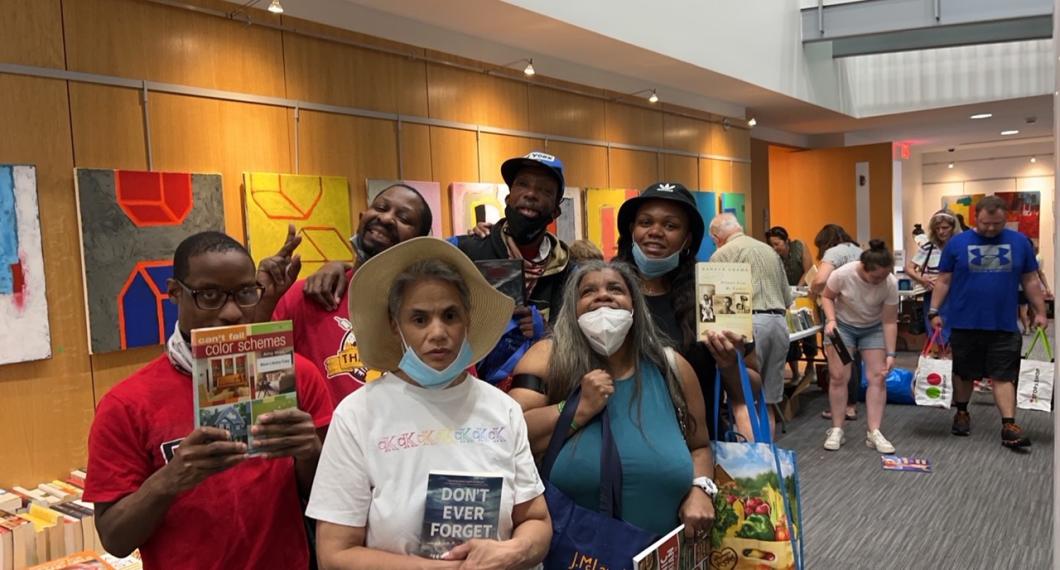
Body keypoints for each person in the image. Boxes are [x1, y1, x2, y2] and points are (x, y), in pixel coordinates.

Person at [83, 232, 334, 568]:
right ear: (174, 292)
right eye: (209, 295)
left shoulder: (296, 375)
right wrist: (171, 480)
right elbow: (114, 539)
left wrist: (310, 454)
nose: (231, 313)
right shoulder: (126, 404)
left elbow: (331, 500)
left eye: (245, 293)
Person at [307, 237, 551, 568]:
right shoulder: (357, 415)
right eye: (419, 319)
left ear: (467, 319)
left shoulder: (502, 409)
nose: (438, 332)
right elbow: (335, 554)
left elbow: (536, 520)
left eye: (450, 316)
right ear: (396, 326)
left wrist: (514, 551)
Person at [510, 260, 716, 539]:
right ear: (572, 308)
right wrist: (576, 409)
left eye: (615, 289)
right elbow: (511, 435)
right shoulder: (547, 357)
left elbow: (700, 446)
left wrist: (701, 488)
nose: (603, 296)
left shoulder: (672, 367)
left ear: (635, 305)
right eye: (588, 291)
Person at [255, 184, 434, 405]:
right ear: (361, 218)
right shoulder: (306, 295)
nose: (387, 218)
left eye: (404, 218)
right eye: (380, 207)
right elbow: (263, 382)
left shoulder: (432, 310)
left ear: (420, 243)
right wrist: (265, 301)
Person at [611, 182, 763, 441]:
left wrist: (729, 365)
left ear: (688, 238)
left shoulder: (713, 292)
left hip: (696, 446)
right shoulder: (606, 289)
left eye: (671, 226)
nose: (655, 232)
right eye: (645, 222)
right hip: (618, 445)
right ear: (631, 229)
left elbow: (750, 390)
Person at [930, 196, 1047, 448]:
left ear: (1006, 219)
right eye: (985, 224)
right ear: (975, 218)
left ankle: (1008, 425)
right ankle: (961, 412)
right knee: (963, 372)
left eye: (997, 223)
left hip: (1004, 322)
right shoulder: (957, 244)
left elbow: (1030, 280)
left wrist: (1040, 311)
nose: (991, 229)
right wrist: (933, 311)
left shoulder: (1019, 243)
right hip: (964, 321)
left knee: (1003, 374)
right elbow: (943, 280)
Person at [449, 151, 573, 385]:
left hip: (538, 396)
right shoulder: (465, 251)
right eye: (522, 184)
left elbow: (579, 348)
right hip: (467, 390)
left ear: (556, 212)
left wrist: (547, 333)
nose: (531, 194)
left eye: (545, 190)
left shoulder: (569, 272)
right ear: (508, 197)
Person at [709, 213, 793, 437]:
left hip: (746, 327)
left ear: (717, 237)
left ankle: (750, 465)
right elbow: (787, 298)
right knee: (768, 402)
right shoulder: (770, 251)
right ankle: (767, 459)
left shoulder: (721, 254)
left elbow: (715, 303)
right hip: (778, 323)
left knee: (743, 399)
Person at [819, 240, 899, 453]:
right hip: (843, 327)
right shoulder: (843, 274)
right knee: (839, 377)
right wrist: (831, 320)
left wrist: (891, 353)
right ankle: (836, 429)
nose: (880, 281)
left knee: (877, 377)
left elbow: (890, 320)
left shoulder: (890, 282)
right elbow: (826, 296)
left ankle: (874, 431)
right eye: (876, 277)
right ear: (864, 268)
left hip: (873, 329)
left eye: (884, 276)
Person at [810, 224, 862, 421]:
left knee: (840, 361)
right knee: (855, 360)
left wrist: (814, 290)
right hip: (861, 311)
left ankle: (844, 407)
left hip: (838, 312)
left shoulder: (833, 252)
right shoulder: (859, 250)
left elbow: (819, 280)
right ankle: (852, 403)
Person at [765, 226, 817, 385]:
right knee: (789, 333)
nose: (775, 248)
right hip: (785, 296)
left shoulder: (799, 246)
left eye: (777, 244)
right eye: (771, 245)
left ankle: (810, 366)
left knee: (809, 331)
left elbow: (808, 270)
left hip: (802, 293)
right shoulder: (773, 256)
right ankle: (795, 373)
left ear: (786, 241)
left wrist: (797, 288)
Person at [905, 210, 958, 344]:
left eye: (945, 228)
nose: (941, 232)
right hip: (933, 294)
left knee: (955, 333)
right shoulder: (929, 247)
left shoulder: (960, 246)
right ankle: (938, 360)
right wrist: (922, 279)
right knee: (935, 333)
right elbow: (909, 268)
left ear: (953, 228)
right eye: (937, 228)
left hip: (956, 295)